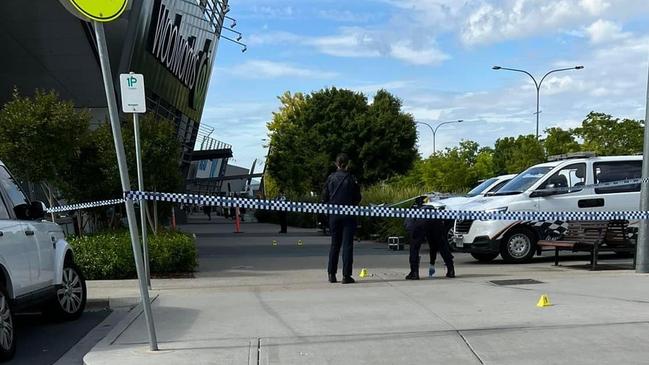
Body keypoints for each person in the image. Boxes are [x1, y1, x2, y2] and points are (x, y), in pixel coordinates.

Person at [322, 153, 362, 284]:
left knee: (334, 244)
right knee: (347, 245)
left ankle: (331, 274)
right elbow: (358, 198)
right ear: (348, 164)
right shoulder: (352, 179)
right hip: (349, 216)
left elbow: (324, 197)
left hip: (333, 215)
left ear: (336, 163)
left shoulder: (330, 178)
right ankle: (346, 275)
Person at [404, 197, 455, 280]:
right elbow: (433, 246)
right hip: (435, 220)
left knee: (414, 247)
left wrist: (414, 237)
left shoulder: (413, 210)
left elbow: (409, 227)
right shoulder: (433, 209)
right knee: (442, 245)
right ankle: (451, 270)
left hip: (418, 223)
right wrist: (432, 264)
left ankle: (414, 273)